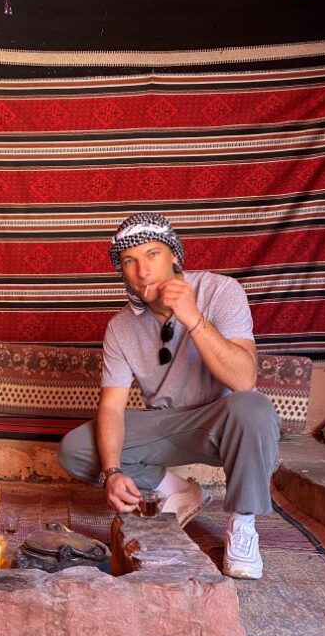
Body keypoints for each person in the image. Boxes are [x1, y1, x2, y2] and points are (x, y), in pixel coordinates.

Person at [58, 212, 280, 580]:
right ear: (122, 271)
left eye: (153, 254)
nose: (143, 270)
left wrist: (191, 317)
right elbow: (112, 407)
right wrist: (112, 472)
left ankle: (242, 525)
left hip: (224, 420)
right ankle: (178, 491)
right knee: (78, 447)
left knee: (253, 407)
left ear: (174, 256)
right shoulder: (121, 327)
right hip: (168, 426)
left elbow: (244, 378)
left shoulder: (221, 291)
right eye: (130, 261)